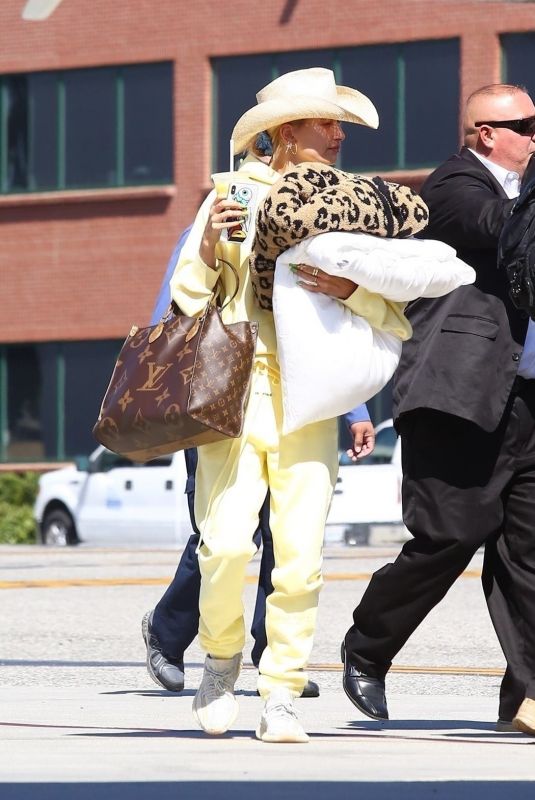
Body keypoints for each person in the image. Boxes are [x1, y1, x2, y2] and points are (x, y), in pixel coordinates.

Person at [170, 66, 417, 743]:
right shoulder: (229, 194)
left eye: (338, 123)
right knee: (222, 544)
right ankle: (221, 661)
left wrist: (348, 289)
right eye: (324, 122)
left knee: (301, 555)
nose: (339, 135)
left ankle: (280, 690)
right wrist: (206, 245)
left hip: (313, 393)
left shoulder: (351, 204)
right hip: (235, 387)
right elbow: (189, 303)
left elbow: (391, 306)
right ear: (284, 132)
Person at [341, 83, 535, 735]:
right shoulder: (454, 186)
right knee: (447, 537)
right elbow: (497, 232)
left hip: (527, 402)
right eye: (528, 127)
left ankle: (526, 698)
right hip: (458, 395)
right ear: (485, 133)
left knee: (528, 556)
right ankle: (366, 649)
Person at [142, 199, 376, 698]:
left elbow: (327, 327)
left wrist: (355, 411)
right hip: (220, 407)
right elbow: (174, 312)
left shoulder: (308, 234)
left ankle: (274, 658)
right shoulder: (210, 226)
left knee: (286, 535)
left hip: (295, 407)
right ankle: (166, 633)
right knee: (221, 535)